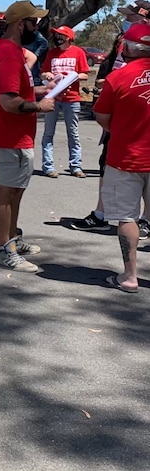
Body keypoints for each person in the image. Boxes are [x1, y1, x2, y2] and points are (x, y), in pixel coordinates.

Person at [0, 0, 55, 272]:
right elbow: (9, 102)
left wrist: (42, 92)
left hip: (11, 136)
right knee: (6, 195)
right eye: (35, 21)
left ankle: (11, 240)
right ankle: (3, 251)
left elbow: (17, 91)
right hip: (9, 137)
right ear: (21, 24)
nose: (39, 26)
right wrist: (40, 105)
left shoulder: (10, 52)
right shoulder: (9, 54)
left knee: (15, 193)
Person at [92, 23, 150, 292]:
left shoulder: (118, 78)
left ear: (126, 48)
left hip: (126, 158)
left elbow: (102, 116)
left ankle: (129, 276)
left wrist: (120, 128)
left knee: (128, 218)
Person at [39, 25, 90, 178]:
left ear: (68, 38)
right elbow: (43, 73)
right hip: (53, 97)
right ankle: (48, 167)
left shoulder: (78, 52)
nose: (57, 38)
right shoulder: (52, 53)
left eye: (60, 35)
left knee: (73, 133)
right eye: (56, 35)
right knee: (48, 133)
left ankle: (76, 166)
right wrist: (47, 74)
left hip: (72, 98)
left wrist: (72, 76)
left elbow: (85, 75)